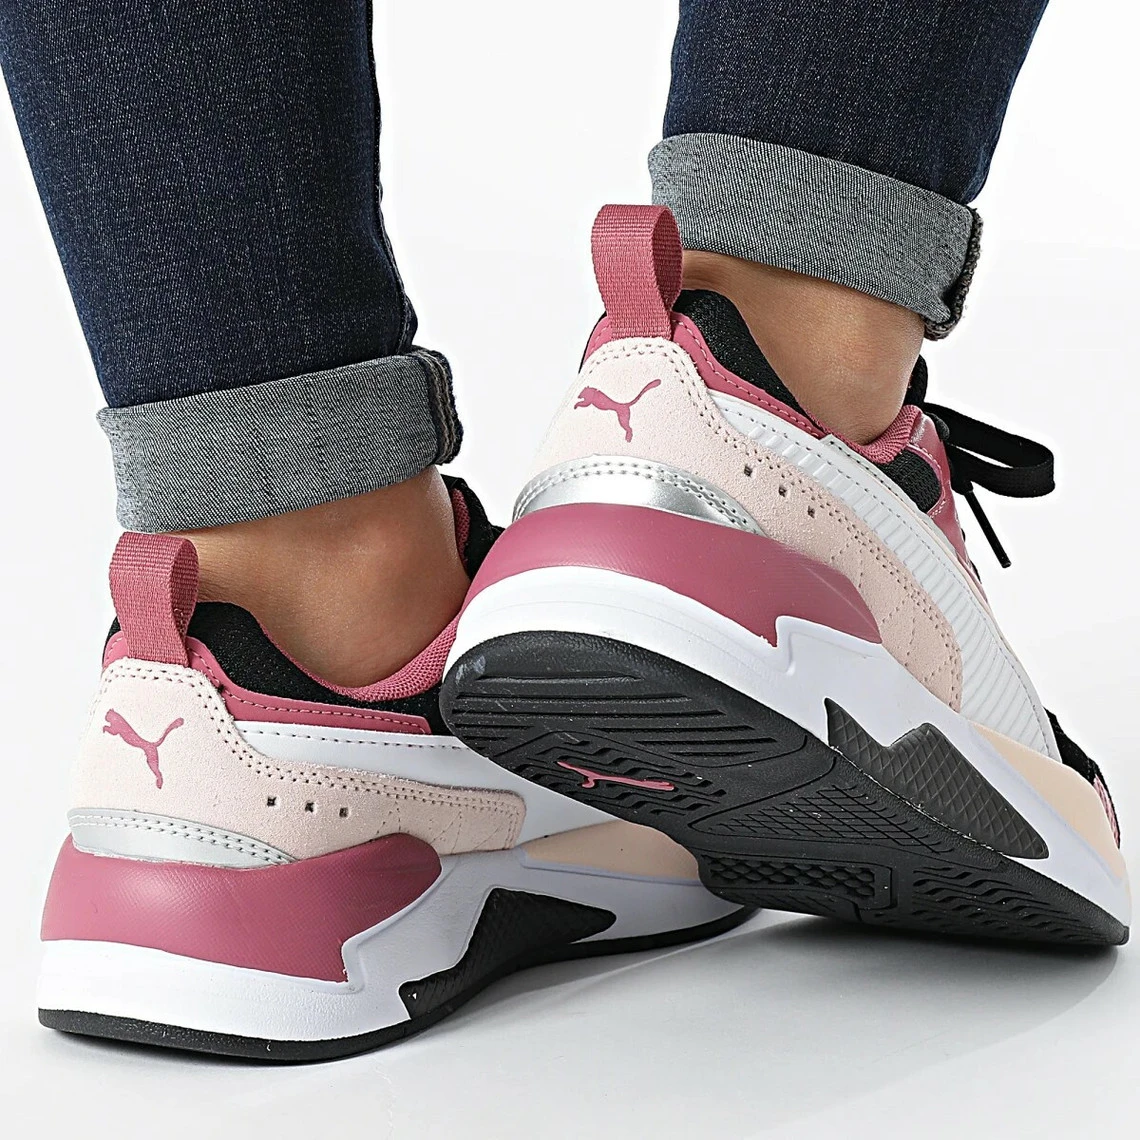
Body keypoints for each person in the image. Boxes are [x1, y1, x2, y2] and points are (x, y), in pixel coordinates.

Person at [4, 1, 1127, 1064]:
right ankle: (778, 398)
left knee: (279, 541)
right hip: (767, 482)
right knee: (785, 339)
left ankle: (283, 616)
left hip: (160, 730)